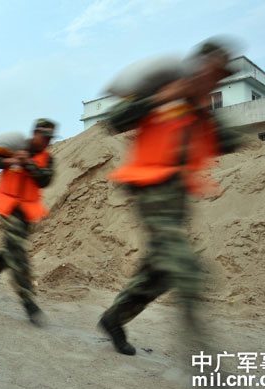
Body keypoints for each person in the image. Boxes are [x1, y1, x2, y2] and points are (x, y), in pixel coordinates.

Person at [98, 39, 245, 356]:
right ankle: (206, 368)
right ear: (199, 64)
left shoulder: (199, 110)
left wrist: (202, 109)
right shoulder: (162, 91)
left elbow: (230, 142)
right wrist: (162, 97)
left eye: (220, 76)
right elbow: (114, 121)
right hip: (149, 191)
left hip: (177, 201)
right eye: (213, 70)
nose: (215, 79)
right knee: (186, 269)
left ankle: (113, 318)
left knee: (161, 274)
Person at [0, 118, 56, 326]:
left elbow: (46, 180)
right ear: (34, 134)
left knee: (11, 248)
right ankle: (29, 302)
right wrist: (8, 161)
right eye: (44, 137)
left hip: (28, 210)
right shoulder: (14, 148)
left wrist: (29, 164)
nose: (47, 142)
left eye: (50, 139)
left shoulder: (47, 158)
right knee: (18, 253)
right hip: (8, 206)